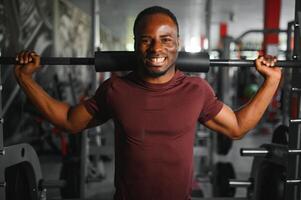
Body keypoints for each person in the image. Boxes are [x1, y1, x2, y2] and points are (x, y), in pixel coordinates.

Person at [14, 6, 281, 200]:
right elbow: (69, 121)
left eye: (166, 40)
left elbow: (236, 127)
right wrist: (25, 80)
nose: (156, 49)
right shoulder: (115, 89)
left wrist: (270, 82)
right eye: (146, 40)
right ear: (136, 45)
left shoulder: (196, 90)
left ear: (178, 44)